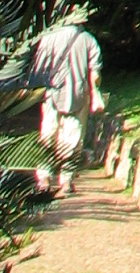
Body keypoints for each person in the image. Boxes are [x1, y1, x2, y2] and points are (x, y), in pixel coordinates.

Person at [27, 13, 104, 192]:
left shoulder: (49, 38)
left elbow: (38, 69)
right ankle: (66, 179)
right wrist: (95, 91)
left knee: (48, 134)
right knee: (73, 138)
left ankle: (44, 177)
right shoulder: (88, 40)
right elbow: (95, 73)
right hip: (78, 95)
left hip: (52, 95)